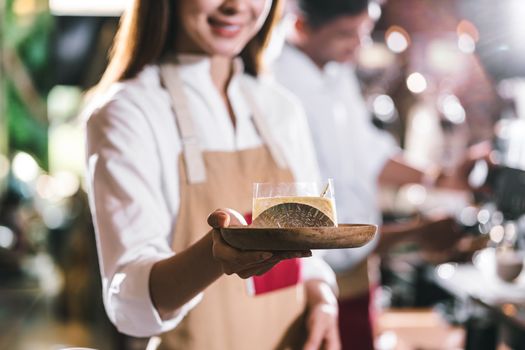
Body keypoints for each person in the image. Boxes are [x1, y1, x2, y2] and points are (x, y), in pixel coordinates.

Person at [84, 1, 341, 349]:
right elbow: (130, 304)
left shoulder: (282, 109)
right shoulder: (128, 112)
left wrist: (322, 294)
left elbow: (308, 251)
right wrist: (215, 254)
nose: (235, 6)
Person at [273, 0, 484, 348]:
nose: (357, 45)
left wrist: (443, 178)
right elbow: (305, 227)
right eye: (345, 34)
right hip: (313, 281)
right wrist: (413, 235)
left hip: (358, 272)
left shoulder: (336, 74)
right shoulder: (281, 86)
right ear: (300, 27)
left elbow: (371, 155)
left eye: (363, 32)